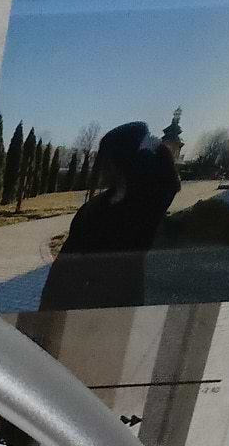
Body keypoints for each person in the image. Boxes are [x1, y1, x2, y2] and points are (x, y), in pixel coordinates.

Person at [38, 119, 181, 312]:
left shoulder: (143, 207)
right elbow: (62, 269)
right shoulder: (94, 208)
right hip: (77, 303)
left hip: (118, 306)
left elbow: (170, 184)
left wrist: (155, 148)